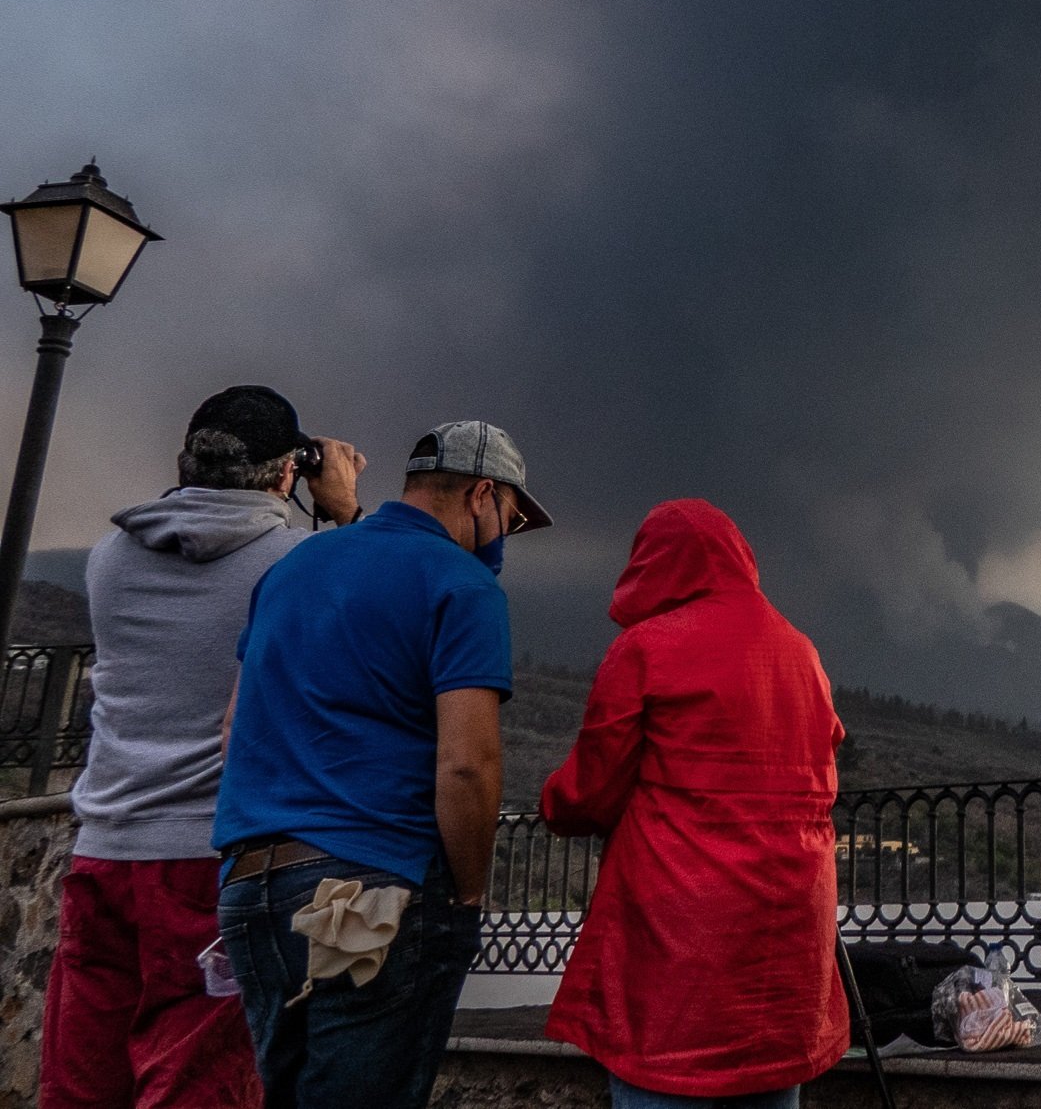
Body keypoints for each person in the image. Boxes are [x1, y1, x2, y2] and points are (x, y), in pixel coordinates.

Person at [211, 421, 549, 1109]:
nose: (504, 539)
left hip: (252, 890)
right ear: (482, 494)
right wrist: (470, 892)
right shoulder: (462, 585)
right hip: (370, 895)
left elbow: (231, 732)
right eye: (510, 519)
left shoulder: (293, 567)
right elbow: (466, 765)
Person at [42, 387, 362, 1109]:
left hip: (105, 848)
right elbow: (353, 619)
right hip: (209, 860)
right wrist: (342, 510)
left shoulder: (109, 558)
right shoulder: (298, 562)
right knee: (196, 1078)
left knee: (82, 1076)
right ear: (288, 473)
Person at [539, 498, 849, 1109]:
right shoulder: (803, 653)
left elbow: (589, 792)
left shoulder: (646, 649)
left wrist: (550, 800)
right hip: (787, 947)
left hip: (679, 950)